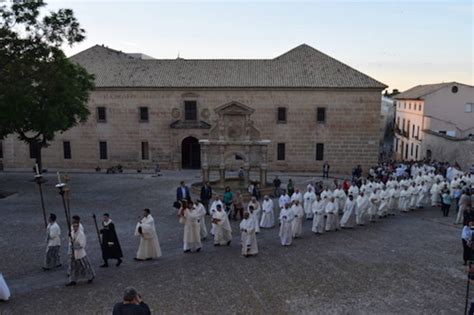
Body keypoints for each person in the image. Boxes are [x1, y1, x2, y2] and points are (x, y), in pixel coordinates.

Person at [67, 221, 95, 286]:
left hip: (80, 254)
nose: (75, 228)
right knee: (73, 268)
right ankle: (73, 280)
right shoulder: (72, 233)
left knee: (84, 266)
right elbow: (70, 242)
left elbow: (82, 244)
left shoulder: (81, 234)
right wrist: (70, 240)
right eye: (74, 226)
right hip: (74, 253)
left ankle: (90, 277)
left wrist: (74, 244)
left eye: (76, 226)